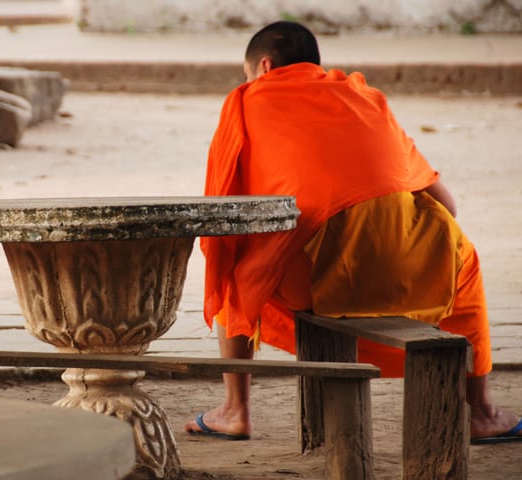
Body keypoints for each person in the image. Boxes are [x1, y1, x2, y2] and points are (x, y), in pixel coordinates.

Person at [186, 20, 522, 444]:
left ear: (265, 67)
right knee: (463, 262)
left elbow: (224, 213)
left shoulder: (246, 101)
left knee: (232, 264)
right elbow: (446, 205)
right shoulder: (363, 96)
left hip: (315, 279)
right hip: (413, 274)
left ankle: (235, 410)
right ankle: (482, 412)